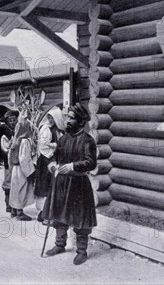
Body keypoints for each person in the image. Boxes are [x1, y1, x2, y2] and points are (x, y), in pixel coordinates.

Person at [44, 103, 96, 266]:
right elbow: (55, 157)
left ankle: (81, 251)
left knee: (80, 218)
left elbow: (91, 162)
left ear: (81, 121)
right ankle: (60, 245)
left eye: (71, 118)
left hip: (79, 184)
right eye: (67, 117)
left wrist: (73, 166)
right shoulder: (63, 139)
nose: (67, 121)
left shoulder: (88, 140)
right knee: (59, 215)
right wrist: (52, 164)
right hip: (61, 183)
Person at [35, 107, 65, 221]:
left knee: (54, 186)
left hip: (56, 160)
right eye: (49, 118)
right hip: (46, 161)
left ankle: (53, 211)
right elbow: (43, 145)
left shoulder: (60, 131)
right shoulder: (46, 129)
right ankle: (44, 212)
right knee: (45, 185)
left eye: (52, 118)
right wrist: (54, 147)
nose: (51, 120)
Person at [8, 110, 37, 221]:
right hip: (22, 168)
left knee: (15, 188)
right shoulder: (24, 141)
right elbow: (24, 158)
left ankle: (14, 210)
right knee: (21, 188)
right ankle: (20, 212)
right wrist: (30, 172)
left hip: (15, 167)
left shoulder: (16, 140)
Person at [0, 110, 17, 213]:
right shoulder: (5, 134)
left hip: (15, 162)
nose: (12, 122)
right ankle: (8, 204)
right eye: (10, 120)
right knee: (8, 183)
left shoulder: (16, 131)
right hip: (8, 163)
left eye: (14, 120)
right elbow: (4, 148)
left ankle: (14, 204)